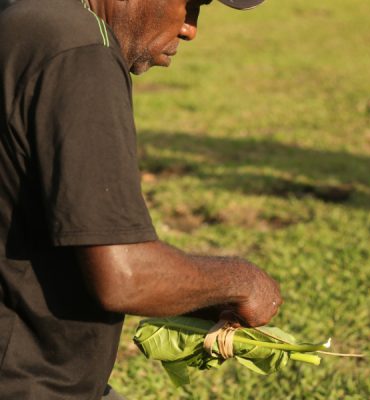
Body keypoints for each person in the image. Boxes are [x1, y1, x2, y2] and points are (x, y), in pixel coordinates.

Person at [0, 0, 282, 399]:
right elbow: (124, 276)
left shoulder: (29, 15)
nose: (190, 29)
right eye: (192, 4)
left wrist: (198, 294)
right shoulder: (81, 50)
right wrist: (242, 282)